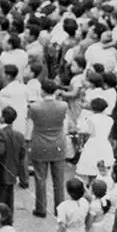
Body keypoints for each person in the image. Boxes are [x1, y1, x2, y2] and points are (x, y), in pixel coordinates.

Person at [27, 80, 71, 218]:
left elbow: (29, 120)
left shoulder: (34, 107)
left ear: (42, 91)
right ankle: (60, 209)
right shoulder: (63, 105)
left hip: (40, 142)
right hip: (58, 142)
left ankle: (41, 208)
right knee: (59, 179)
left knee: (40, 178)